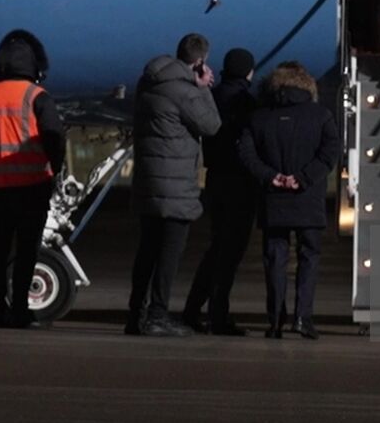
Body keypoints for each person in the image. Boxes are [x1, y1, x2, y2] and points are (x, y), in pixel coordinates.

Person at [237, 61, 341, 339]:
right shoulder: (320, 116)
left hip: (273, 200)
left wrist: (271, 176)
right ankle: (302, 318)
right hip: (308, 199)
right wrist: (303, 178)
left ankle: (275, 321)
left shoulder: (259, 117)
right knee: (309, 258)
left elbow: (246, 155)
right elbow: (331, 151)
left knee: (275, 260)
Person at [126, 33, 221, 336]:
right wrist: (204, 89)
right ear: (200, 61)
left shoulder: (149, 83)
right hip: (176, 187)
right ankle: (157, 314)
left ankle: (135, 315)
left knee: (147, 251)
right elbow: (212, 125)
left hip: (148, 182)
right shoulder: (185, 92)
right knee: (169, 256)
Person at [0, 29, 66, 328]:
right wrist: (55, 170)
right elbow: (55, 137)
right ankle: (19, 310)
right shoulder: (37, 96)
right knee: (27, 252)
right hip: (31, 188)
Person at [181, 47, 259, 335]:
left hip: (215, 179)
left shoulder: (211, 96)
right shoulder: (247, 102)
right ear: (249, 71)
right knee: (230, 253)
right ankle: (217, 315)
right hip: (240, 182)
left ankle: (194, 308)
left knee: (216, 248)